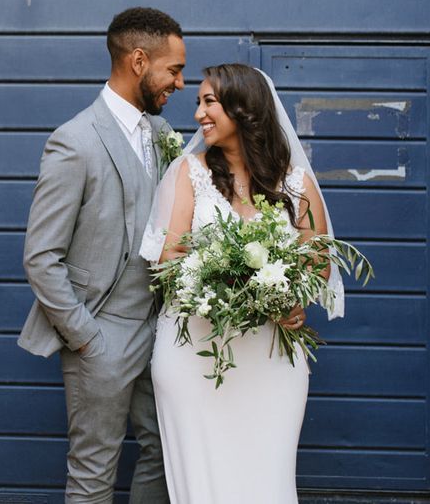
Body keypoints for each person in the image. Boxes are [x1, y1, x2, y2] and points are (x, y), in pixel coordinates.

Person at [140, 63, 344, 504]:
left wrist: (290, 299)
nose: (198, 114)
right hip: (194, 354)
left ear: (244, 108)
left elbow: (318, 266)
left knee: (266, 479)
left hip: (271, 358)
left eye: (209, 102)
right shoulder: (188, 174)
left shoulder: (296, 183)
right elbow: (167, 256)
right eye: (198, 102)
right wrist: (224, 279)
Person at [18, 6, 186, 503]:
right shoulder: (74, 142)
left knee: (165, 451)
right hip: (101, 334)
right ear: (138, 60)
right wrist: (88, 339)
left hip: (158, 332)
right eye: (173, 70)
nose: (179, 83)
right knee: (93, 473)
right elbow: (40, 258)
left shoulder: (160, 135)